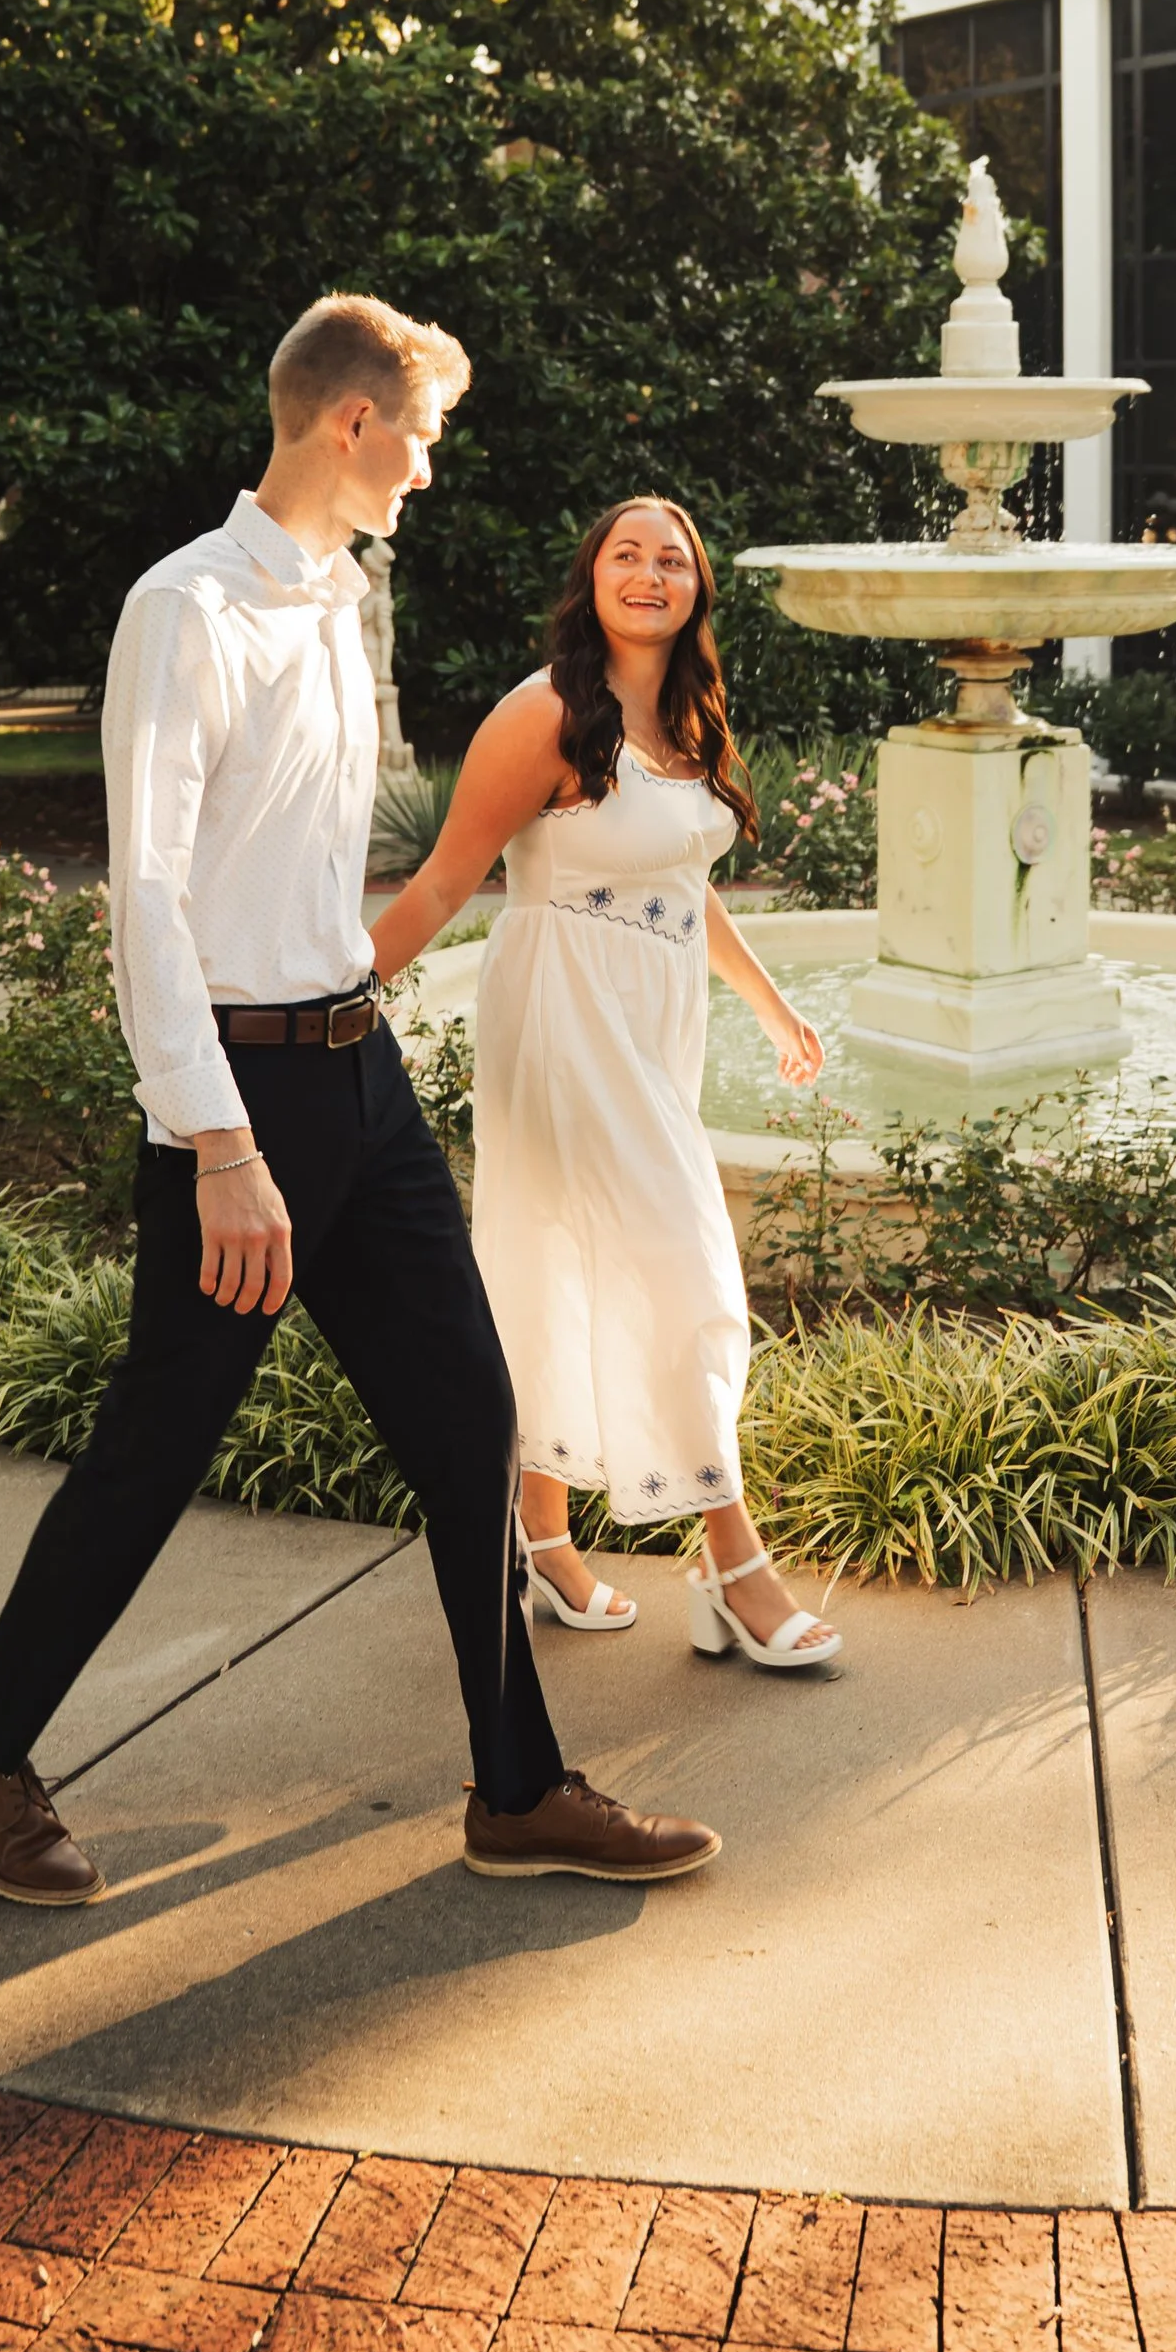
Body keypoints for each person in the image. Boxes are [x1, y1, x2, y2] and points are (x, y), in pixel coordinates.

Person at [0, 301, 722, 1902]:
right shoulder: (188, 610)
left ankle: (517, 1789)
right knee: (158, 1445)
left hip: (360, 1074)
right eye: (422, 435)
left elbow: (299, 877)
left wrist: (368, 1030)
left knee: (470, 1418)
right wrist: (218, 1141)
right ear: (354, 421)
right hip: (245, 1103)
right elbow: (150, 895)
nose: (429, 467)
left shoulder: (338, 603)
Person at [369, 497, 843, 1673]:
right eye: (625, 555)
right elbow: (444, 881)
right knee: (683, 1263)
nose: (648, 573)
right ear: (592, 578)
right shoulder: (543, 714)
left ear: (695, 589)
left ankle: (541, 1541)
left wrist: (769, 1004)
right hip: (563, 1014)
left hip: (653, 1023)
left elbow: (682, 880)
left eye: (670, 559)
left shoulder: (685, 718)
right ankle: (733, 1565)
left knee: (553, 1260)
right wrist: (334, 1001)